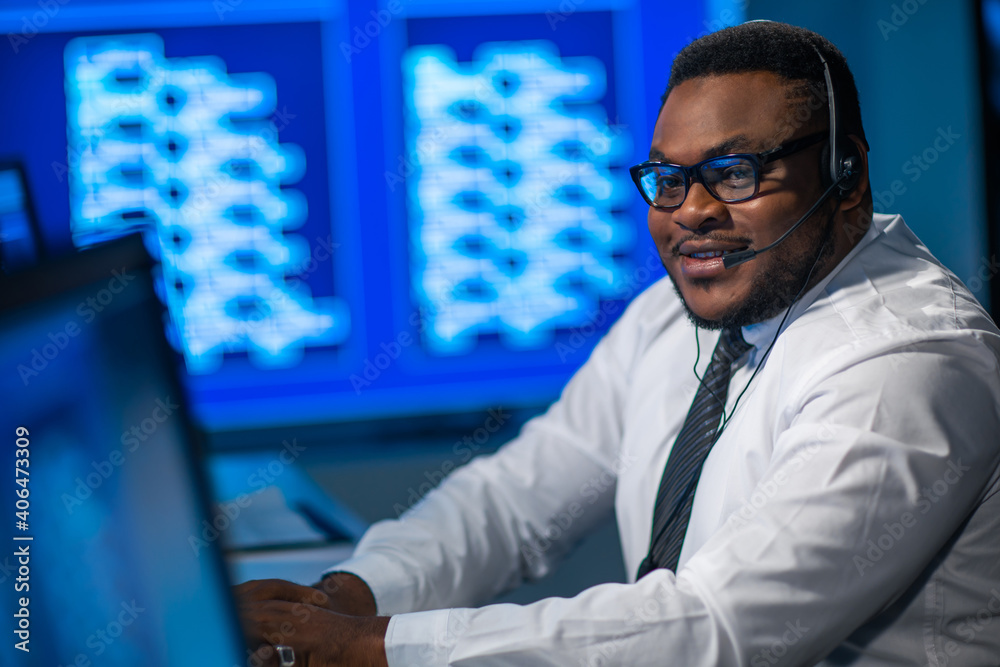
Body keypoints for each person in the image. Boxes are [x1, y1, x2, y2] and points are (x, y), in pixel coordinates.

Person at [237, 21, 1000, 666]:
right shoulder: (676, 317)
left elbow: (717, 628)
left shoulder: (908, 362)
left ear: (847, 174)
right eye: (667, 179)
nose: (692, 211)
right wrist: (347, 594)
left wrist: (376, 646)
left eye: (734, 172)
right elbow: (513, 504)